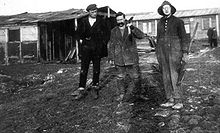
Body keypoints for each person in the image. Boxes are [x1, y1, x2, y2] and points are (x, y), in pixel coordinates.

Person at [156, 1, 189, 109]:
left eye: (168, 7)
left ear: (171, 9)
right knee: (165, 76)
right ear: (162, 10)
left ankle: (178, 100)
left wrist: (185, 53)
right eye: (164, 8)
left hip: (174, 52)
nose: (166, 9)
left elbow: (184, 38)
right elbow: (158, 38)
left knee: (175, 75)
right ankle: (170, 99)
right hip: (162, 52)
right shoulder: (159, 23)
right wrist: (158, 53)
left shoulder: (178, 21)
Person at [72, 4, 109, 100]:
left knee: (96, 69)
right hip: (86, 49)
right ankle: (81, 89)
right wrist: (81, 41)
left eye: (95, 11)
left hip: (97, 49)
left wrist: (102, 43)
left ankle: (95, 88)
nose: (94, 13)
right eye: (92, 12)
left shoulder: (101, 21)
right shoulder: (83, 22)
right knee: (84, 69)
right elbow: (77, 34)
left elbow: (106, 34)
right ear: (88, 12)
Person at [108, 12, 145, 102]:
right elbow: (111, 44)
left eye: (121, 19)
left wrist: (132, 27)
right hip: (119, 58)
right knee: (120, 77)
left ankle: (138, 94)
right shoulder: (113, 31)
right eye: (118, 20)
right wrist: (111, 57)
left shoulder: (130, 28)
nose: (119, 21)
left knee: (136, 77)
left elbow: (141, 36)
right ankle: (121, 94)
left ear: (124, 19)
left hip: (131, 58)